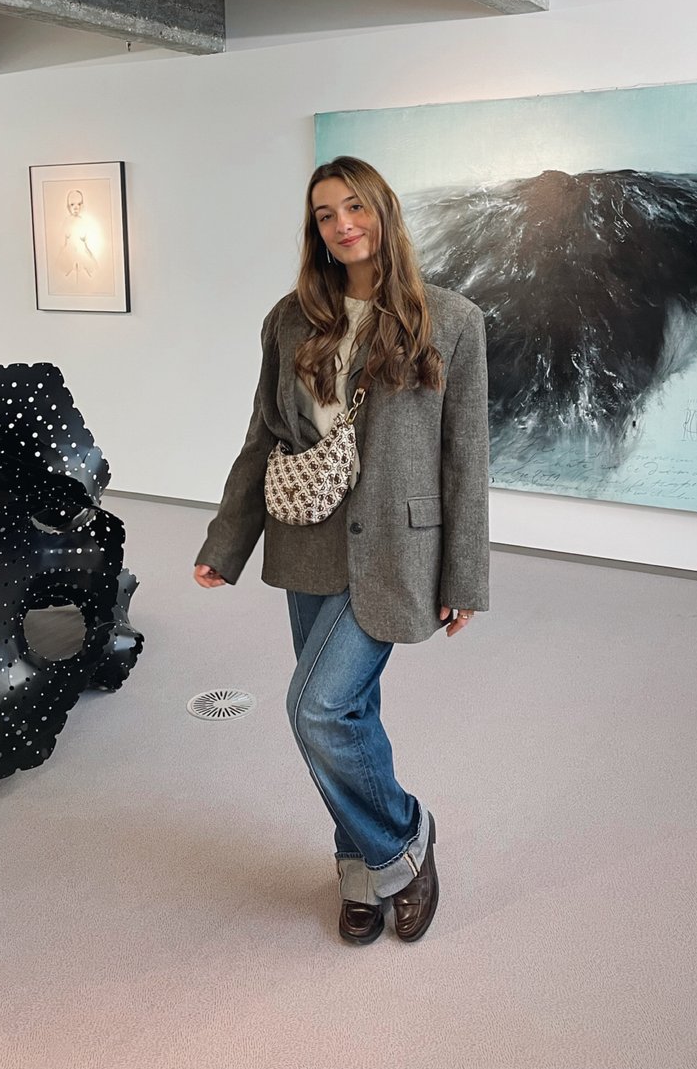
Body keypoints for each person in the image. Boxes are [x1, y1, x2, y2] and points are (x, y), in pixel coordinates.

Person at [194, 156, 489, 945]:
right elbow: (264, 436)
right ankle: (356, 869)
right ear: (314, 230)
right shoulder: (290, 319)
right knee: (350, 711)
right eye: (325, 213)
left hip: (397, 550)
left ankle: (401, 841)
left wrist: (465, 574)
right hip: (306, 540)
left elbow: (465, 458)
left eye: (354, 206)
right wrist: (226, 542)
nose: (341, 223)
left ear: (383, 212)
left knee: (314, 707)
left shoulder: (451, 320)